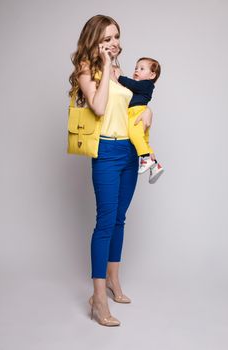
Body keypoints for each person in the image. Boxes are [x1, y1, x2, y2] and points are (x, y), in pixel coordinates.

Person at [68, 15, 153, 327]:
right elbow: (100, 107)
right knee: (104, 222)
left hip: (128, 151)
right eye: (107, 38)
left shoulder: (122, 72)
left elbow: (133, 106)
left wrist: (148, 114)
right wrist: (105, 69)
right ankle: (98, 295)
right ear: (95, 41)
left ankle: (115, 282)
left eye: (116, 36)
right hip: (105, 151)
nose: (114, 43)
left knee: (120, 218)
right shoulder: (87, 70)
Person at [115, 57, 164, 184]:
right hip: (138, 112)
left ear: (152, 75)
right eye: (136, 68)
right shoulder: (140, 86)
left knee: (134, 134)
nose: (137, 70)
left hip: (137, 113)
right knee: (144, 141)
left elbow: (133, 84)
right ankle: (155, 165)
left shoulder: (147, 85)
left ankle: (145, 158)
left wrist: (119, 77)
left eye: (142, 69)